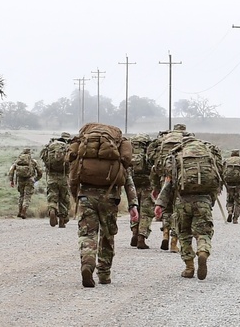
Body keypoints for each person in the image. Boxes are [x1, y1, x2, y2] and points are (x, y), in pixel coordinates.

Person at [67, 123, 139, 288]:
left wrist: (75, 197)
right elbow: (127, 180)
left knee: (87, 234)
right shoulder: (116, 151)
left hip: (86, 196)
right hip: (110, 197)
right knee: (107, 235)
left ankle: (88, 262)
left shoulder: (85, 152)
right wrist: (133, 204)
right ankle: (104, 274)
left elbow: (73, 178)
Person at [154, 136, 223, 280]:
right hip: (203, 201)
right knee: (203, 232)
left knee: (184, 234)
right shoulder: (209, 155)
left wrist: (160, 203)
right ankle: (203, 251)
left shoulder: (177, 155)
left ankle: (189, 267)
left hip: (182, 201)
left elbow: (169, 182)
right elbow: (217, 182)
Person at [148, 123, 191, 252]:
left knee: (166, 209)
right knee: (177, 210)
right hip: (179, 179)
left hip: (164, 177)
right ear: (184, 130)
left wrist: (155, 187)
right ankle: (174, 243)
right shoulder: (186, 139)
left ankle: (165, 234)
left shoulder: (164, 139)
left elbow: (153, 162)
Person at [39, 132, 73, 228]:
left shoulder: (51, 147)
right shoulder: (68, 147)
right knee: (64, 198)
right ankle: (62, 220)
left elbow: (44, 159)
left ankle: (52, 210)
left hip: (51, 177)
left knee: (52, 196)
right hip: (64, 178)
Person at [128, 133, 155, 249]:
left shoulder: (129, 149)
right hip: (147, 183)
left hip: (133, 182)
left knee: (134, 207)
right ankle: (141, 237)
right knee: (146, 210)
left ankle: (134, 231)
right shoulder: (149, 149)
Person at [7, 148, 43, 219]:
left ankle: (19, 212)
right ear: (29, 154)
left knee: (21, 195)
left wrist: (11, 180)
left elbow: (11, 171)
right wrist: (35, 179)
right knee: (27, 196)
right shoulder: (33, 161)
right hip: (30, 180)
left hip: (20, 180)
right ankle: (24, 211)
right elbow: (40, 172)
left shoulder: (17, 161)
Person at [222, 149, 240, 224]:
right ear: (238, 154)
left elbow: (221, 172)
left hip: (229, 185)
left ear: (231, 154)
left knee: (229, 201)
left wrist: (221, 185)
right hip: (238, 185)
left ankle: (230, 211)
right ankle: (235, 218)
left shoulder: (226, 161)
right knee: (239, 202)